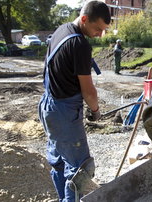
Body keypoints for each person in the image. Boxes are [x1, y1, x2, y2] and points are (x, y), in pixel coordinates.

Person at [38, 1, 110, 201]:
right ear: (84, 19)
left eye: (103, 30)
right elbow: (89, 92)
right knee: (80, 170)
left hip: (49, 106)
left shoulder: (62, 31)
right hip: (64, 112)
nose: (99, 34)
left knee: (60, 162)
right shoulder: (79, 44)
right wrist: (96, 111)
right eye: (97, 28)